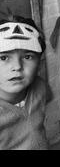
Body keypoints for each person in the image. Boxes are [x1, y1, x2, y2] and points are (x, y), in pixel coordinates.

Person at [0, 15, 48, 150]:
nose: (17, 66)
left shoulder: (40, 87)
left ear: (39, 62)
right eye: (3, 57)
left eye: (27, 56)